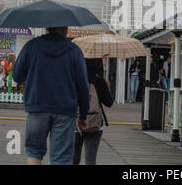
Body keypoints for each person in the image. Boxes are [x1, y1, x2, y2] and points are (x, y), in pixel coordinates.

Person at [13, 27, 89, 165]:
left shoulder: (32, 46)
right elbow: (82, 85)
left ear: (47, 27)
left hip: (37, 106)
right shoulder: (74, 50)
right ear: (64, 29)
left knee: (34, 151)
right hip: (65, 110)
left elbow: (17, 76)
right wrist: (83, 115)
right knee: (62, 157)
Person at [73, 58, 113, 165]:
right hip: (95, 123)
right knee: (90, 160)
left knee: (73, 159)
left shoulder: (75, 80)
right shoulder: (100, 81)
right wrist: (107, 87)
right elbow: (109, 103)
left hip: (76, 123)